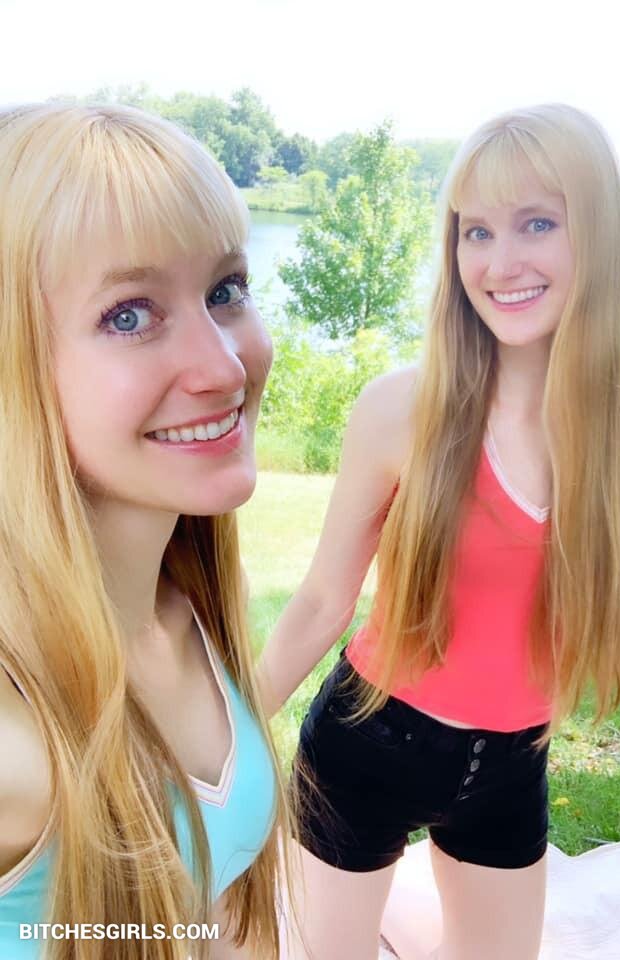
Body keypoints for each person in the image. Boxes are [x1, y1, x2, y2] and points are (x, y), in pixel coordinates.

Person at [257, 103, 620, 960]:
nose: (500, 264)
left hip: (510, 767)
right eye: (476, 232)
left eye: (537, 224)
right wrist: (223, 761)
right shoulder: (400, 409)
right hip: (366, 742)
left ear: (598, 233)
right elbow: (319, 602)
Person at [0, 103, 287, 960]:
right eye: (129, 314)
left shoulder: (184, 602)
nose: (225, 367)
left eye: (225, 291)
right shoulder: (15, 742)